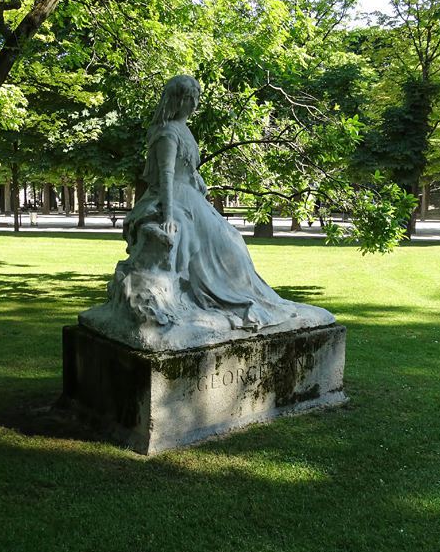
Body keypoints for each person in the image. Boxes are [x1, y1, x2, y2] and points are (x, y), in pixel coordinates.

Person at [80, 75, 335, 349]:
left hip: (191, 197)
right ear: (177, 100)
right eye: (190, 99)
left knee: (231, 240)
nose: (194, 104)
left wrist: (198, 181)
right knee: (209, 242)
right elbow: (166, 174)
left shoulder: (183, 129)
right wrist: (167, 216)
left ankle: (246, 294)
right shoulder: (167, 133)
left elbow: (188, 171)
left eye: (196, 98)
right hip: (174, 199)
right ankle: (211, 296)